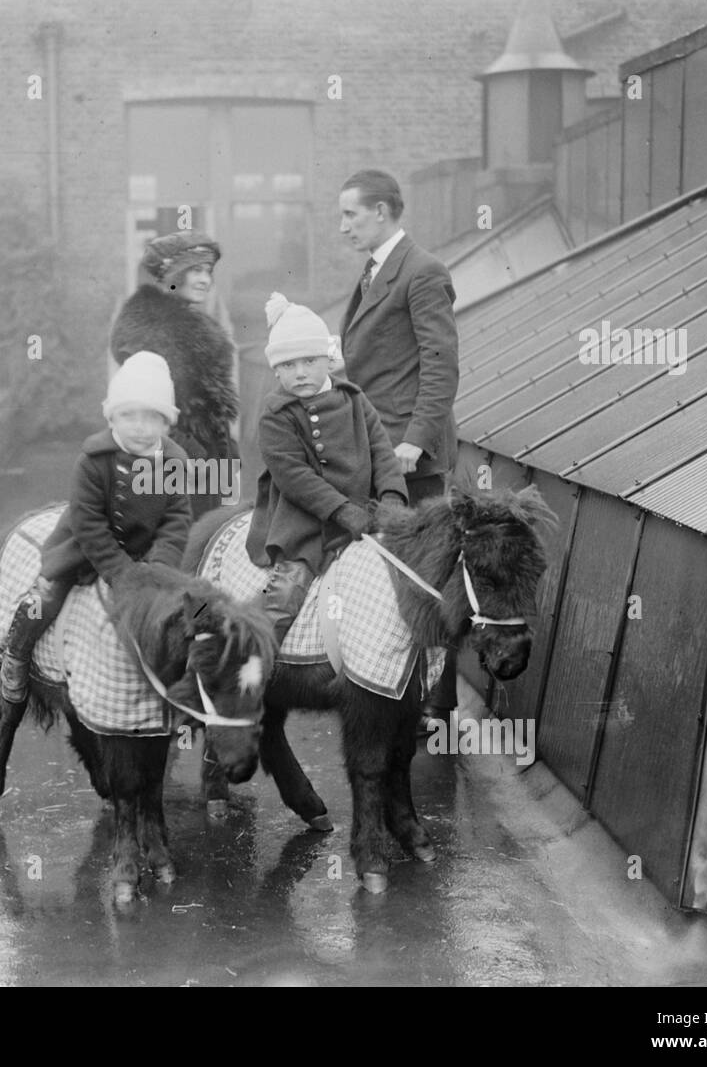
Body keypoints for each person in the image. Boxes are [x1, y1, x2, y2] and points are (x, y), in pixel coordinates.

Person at [0, 351, 193, 706]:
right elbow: (89, 523)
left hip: (148, 553)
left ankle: (191, 680)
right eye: (128, 415)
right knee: (46, 597)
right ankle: (17, 654)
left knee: (195, 605)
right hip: (86, 549)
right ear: (112, 417)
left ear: (167, 424)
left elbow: (176, 519)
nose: (139, 426)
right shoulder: (94, 459)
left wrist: (161, 565)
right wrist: (120, 572)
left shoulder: (174, 462)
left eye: (152, 417)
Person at [338, 168, 460, 711]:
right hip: (378, 451)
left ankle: (437, 705)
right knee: (391, 576)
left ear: (382, 211)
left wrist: (415, 439)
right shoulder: (374, 272)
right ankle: (395, 692)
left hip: (411, 458)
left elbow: (441, 364)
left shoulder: (422, 272)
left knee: (429, 578)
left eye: (350, 214)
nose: (343, 226)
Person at [246, 294, 409, 646]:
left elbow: (382, 451)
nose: (300, 372)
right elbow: (295, 477)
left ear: (328, 358)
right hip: (304, 520)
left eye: (309, 360)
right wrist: (340, 510)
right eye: (288, 365)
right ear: (276, 370)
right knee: (286, 594)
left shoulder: (353, 399)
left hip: (363, 511)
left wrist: (392, 497)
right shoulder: (277, 414)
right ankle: (255, 658)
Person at [110, 231, 239, 518]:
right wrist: (196, 458)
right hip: (166, 463)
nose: (205, 279)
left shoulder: (197, 325)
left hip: (206, 464)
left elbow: (211, 412)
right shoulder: (146, 331)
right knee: (174, 547)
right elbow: (143, 415)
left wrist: (226, 459)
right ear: (171, 273)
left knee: (209, 542)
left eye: (208, 271)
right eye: (195, 270)